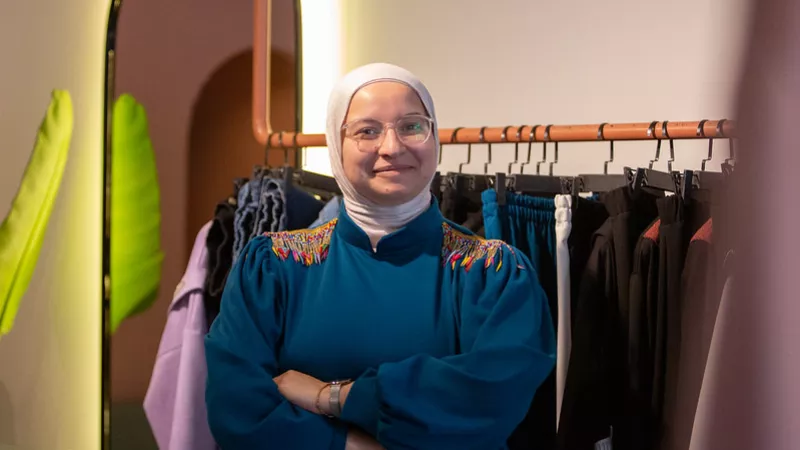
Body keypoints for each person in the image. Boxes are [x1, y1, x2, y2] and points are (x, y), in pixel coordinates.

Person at [204, 62, 556, 450]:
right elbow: (236, 409)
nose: (392, 147)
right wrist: (353, 445)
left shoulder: (493, 273)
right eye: (367, 131)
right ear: (336, 147)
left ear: (435, 136)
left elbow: (490, 397)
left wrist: (332, 397)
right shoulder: (274, 266)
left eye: (412, 126)